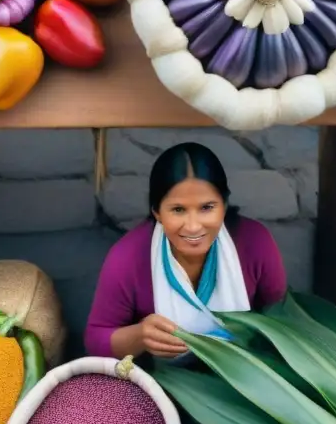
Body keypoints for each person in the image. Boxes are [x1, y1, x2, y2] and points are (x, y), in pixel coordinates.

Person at [85, 142, 288, 359]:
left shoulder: (254, 242)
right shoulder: (128, 258)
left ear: (224, 205)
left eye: (207, 208)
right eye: (178, 210)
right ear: (157, 212)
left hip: (247, 381)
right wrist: (139, 337)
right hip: (161, 387)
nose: (193, 226)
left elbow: (283, 321)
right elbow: (96, 339)